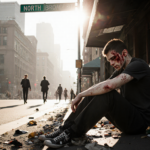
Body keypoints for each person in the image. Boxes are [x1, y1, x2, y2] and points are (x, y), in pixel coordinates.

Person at [39, 38, 150, 148]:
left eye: (113, 58)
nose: (111, 63)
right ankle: (64, 129)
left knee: (108, 93)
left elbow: (109, 86)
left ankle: (72, 134)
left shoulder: (138, 65)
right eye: (109, 61)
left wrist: (80, 94)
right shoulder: (121, 70)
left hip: (139, 123)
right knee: (97, 92)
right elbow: (102, 85)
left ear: (124, 53)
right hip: (129, 120)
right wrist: (82, 94)